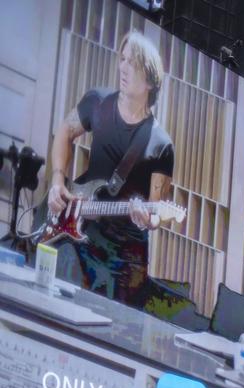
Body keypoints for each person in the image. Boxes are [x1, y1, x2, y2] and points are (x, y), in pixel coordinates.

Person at [47, 31, 174, 308]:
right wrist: (58, 179)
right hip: (82, 235)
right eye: (123, 59)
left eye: (133, 63)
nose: (123, 68)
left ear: (151, 80)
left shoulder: (161, 143)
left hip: (126, 261)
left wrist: (148, 219)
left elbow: (157, 210)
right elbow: (65, 132)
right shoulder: (98, 101)